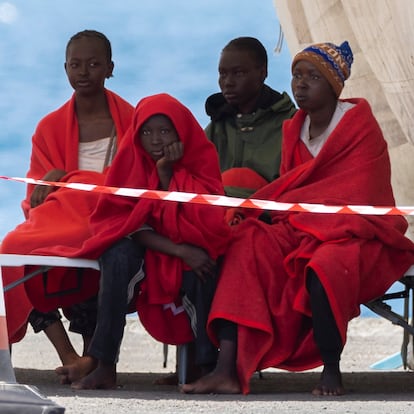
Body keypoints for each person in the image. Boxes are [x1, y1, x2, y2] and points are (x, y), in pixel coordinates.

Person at [181, 41, 414, 396]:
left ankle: (331, 369)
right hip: (301, 226)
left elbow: (363, 194)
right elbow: (293, 191)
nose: (300, 84)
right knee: (243, 242)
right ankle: (227, 367)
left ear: (334, 85)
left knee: (325, 267)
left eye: (312, 77)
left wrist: (304, 215)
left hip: (356, 232)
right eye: (296, 75)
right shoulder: (293, 128)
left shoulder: (359, 128)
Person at [47, 93, 230, 389]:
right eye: (146, 131)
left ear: (181, 132)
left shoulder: (200, 158)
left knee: (203, 263)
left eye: (165, 131)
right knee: (115, 255)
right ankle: (105, 364)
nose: (155, 139)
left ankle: (205, 364)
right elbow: (121, 221)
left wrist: (168, 177)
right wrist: (178, 250)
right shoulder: (129, 162)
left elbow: (205, 222)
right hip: (151, 248)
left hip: (188, 243)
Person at [0, 30, 134, 368]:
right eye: (76, 65)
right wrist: (57, 185)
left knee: (95, 247)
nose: (84, 72)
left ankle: (93, 356)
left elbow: (138, 183)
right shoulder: (49, 126)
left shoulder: (132, 122)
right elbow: (36, 198)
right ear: (65, 69)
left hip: (111, 217)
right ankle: (69, 355)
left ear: (110, 68)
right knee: (11, 250)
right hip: (62, 216)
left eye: (93, 64)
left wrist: (69, 179)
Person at [205, 36, 296, 199]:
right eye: (223, 73)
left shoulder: (292, 125)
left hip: (273, 218)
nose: (228, 82)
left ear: (263, 72)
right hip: (219, 219)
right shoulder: (216, 128)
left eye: (238, 73)